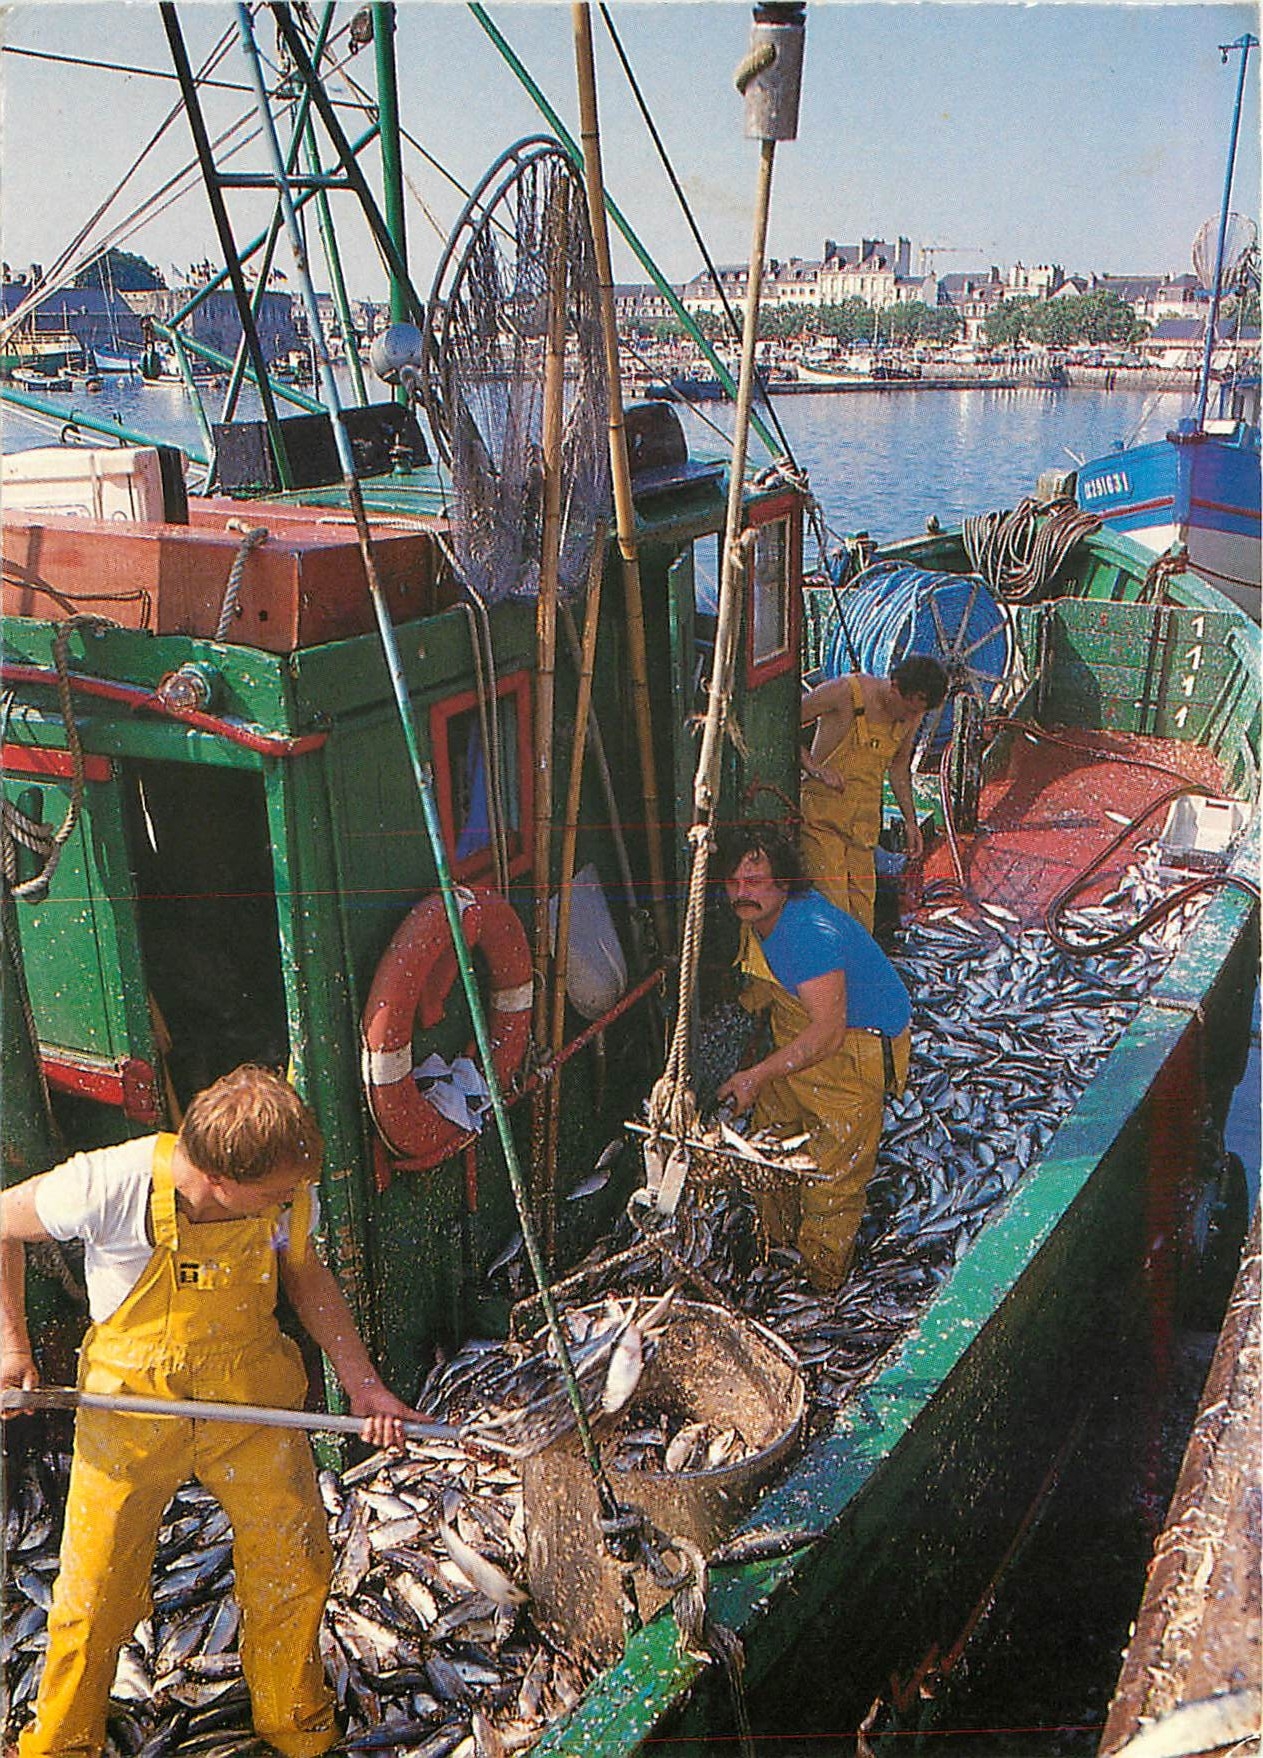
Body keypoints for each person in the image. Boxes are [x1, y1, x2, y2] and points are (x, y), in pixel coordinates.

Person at [1, 1064, 416, 1758]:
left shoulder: (283, 1202)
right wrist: (8, 1344)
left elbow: (305, 1273)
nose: (290, 1199)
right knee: (92, 1590)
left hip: (252, 1405)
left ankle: (296, 1726)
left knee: (296, 1566)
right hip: (127, 1412)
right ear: (219, 1178)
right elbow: (0, 1223)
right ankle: (59, 1743)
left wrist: (364, 1384)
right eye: (276, 1191)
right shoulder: (109, 1183)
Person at [716, 827, 911, 1292]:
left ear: (784, 883)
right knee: (769, 1139)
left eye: (757, 882)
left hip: (854, 1048)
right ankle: (775, 1247)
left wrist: (757, 1074)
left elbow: (827, 1034)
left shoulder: (808, 934)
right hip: (801, 1031)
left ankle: (817, 1285)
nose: (744, 893)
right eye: (735, 883)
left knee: (832, 1174)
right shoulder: (762, 922)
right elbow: (773, 987)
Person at [799, 654, 948, 929]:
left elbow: (899, 766)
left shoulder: (912, 714)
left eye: (919, 713)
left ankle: (858, 971)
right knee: (835, 914)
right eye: (909, 709)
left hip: (863, 827)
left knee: (862, 919)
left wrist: (911, 821)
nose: (912, 719)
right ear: (894, 686)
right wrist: (815, 768)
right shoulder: (845, 692)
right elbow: (785, 724)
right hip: (823, 821)